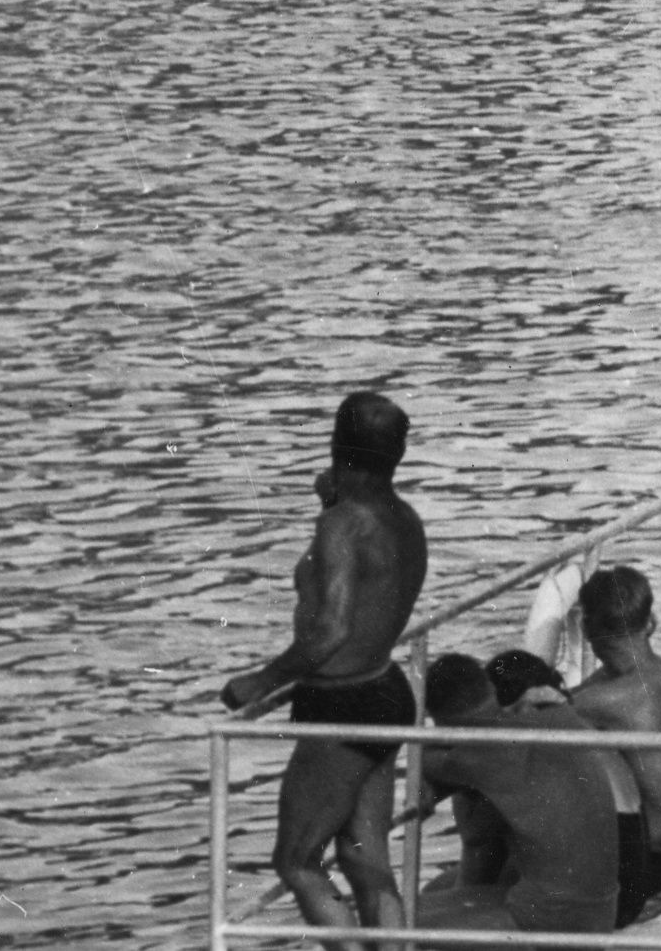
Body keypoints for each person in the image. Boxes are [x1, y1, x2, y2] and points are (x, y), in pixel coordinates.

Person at [217, 389, 430, 938]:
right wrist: (332, 501)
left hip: (343, 704)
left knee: (296, 860)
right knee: (365, 859)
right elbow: (373, 602)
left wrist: (260, 682)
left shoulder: (342, 525)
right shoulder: (404, 518)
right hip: (387, 690)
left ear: (337, 446)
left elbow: (333, 629)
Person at [406, 652, 623, 939]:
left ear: (440, 720)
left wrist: (427, 778)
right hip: (600, 910)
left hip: (552, 920)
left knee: (401, 921)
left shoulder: (481, 753)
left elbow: (423, 759)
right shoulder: (557, 715)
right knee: (431, 894)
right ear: (490, 689)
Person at [564, 565, 661, 926]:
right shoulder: (660, 674)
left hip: (641, 874)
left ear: (586, 628)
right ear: (650, 621)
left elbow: (536, 716)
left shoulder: (620, 698)